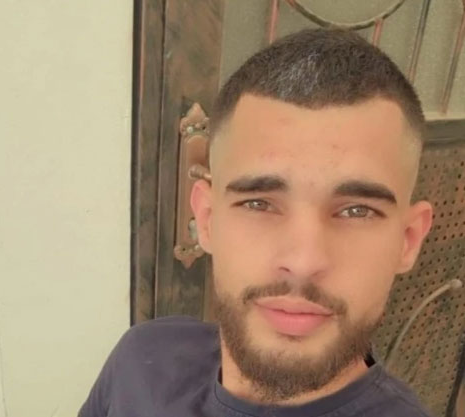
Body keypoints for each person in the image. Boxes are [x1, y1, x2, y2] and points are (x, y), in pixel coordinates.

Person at [79, 28, 434, 417]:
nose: (303, 261)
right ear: (207, 219)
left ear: (408, 240)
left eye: (357, 211)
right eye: (259, 203)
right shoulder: (140, 361)